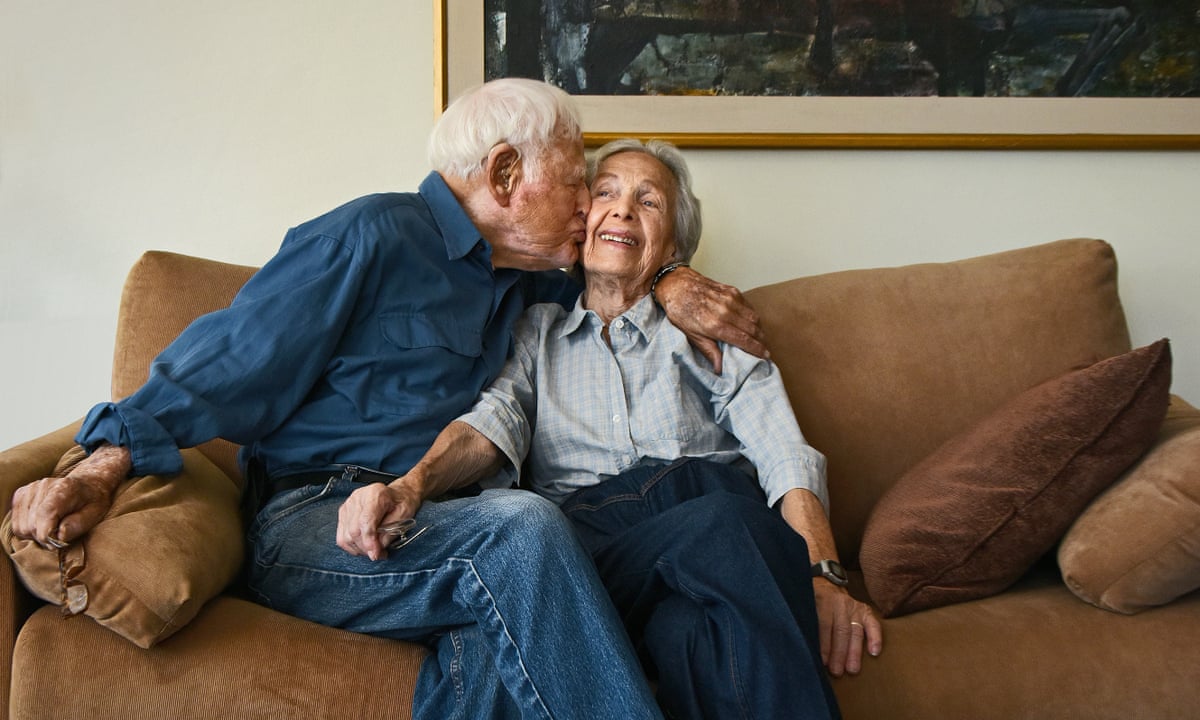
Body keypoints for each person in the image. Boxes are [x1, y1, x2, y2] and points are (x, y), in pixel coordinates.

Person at [9, 80, 767, 720]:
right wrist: (96, 470)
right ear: (505, 175)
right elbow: (225, 363)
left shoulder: (535, 281)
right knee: (524, 532)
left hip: (440, 523)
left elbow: (622, 275)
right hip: (314, 527)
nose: (588, 206)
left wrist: (672, 280)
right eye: (577, 182)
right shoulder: (370, 237)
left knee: (494, 654)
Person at [338, 139, 884, 720]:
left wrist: (823, 574)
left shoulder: (712, 321)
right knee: (724, 524)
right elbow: (491, 421)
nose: (622, 210)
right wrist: (413, 485)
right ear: (581, 223)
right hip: (595, 543)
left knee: (686, 629)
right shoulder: (535, 330)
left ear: (674, 247)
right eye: (606, 193)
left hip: (710, 525)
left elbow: (781, 450)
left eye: (648, 202)